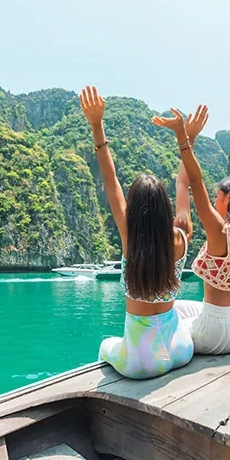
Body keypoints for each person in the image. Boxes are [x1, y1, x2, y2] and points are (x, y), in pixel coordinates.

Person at [83, 86, 205, 379]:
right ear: (165, 208)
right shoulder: (181, 236)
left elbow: (111, 181)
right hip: (180, 349)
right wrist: (188, 138)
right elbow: (183, 183)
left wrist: (97, 124)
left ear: (134, 210)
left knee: (105, 345)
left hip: (141, 363)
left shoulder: (130, 238)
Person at [152, 106, 230, 355]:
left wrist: (184, 137)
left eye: (217, 195)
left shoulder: (219, 230)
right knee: (176, 308)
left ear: (228, 198)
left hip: (217, 334)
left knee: (162, 318)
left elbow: (192, 181)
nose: (213, 199)